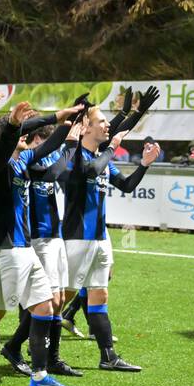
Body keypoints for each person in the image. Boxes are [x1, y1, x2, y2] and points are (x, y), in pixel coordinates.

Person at [0, 102, 85, 386]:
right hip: (7, 248)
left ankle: (39, 374)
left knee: (45, 306)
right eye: (20, 132)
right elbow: (15, 140)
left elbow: (52, 144)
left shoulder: (22, 161)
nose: (25, 136)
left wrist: (71, 120)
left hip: (25, 248)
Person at [59, 101, 161, 371]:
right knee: (59, 300)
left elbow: (126, 185)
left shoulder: (102, 159)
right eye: (101, 121)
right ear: (85, 128)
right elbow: (90, 170)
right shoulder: (75, 154)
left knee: (99, 295)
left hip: (101, 238)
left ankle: (108, 357)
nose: (107, 125)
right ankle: (41, 353)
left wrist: (144, 165)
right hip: (77, 238)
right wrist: (115, 144)